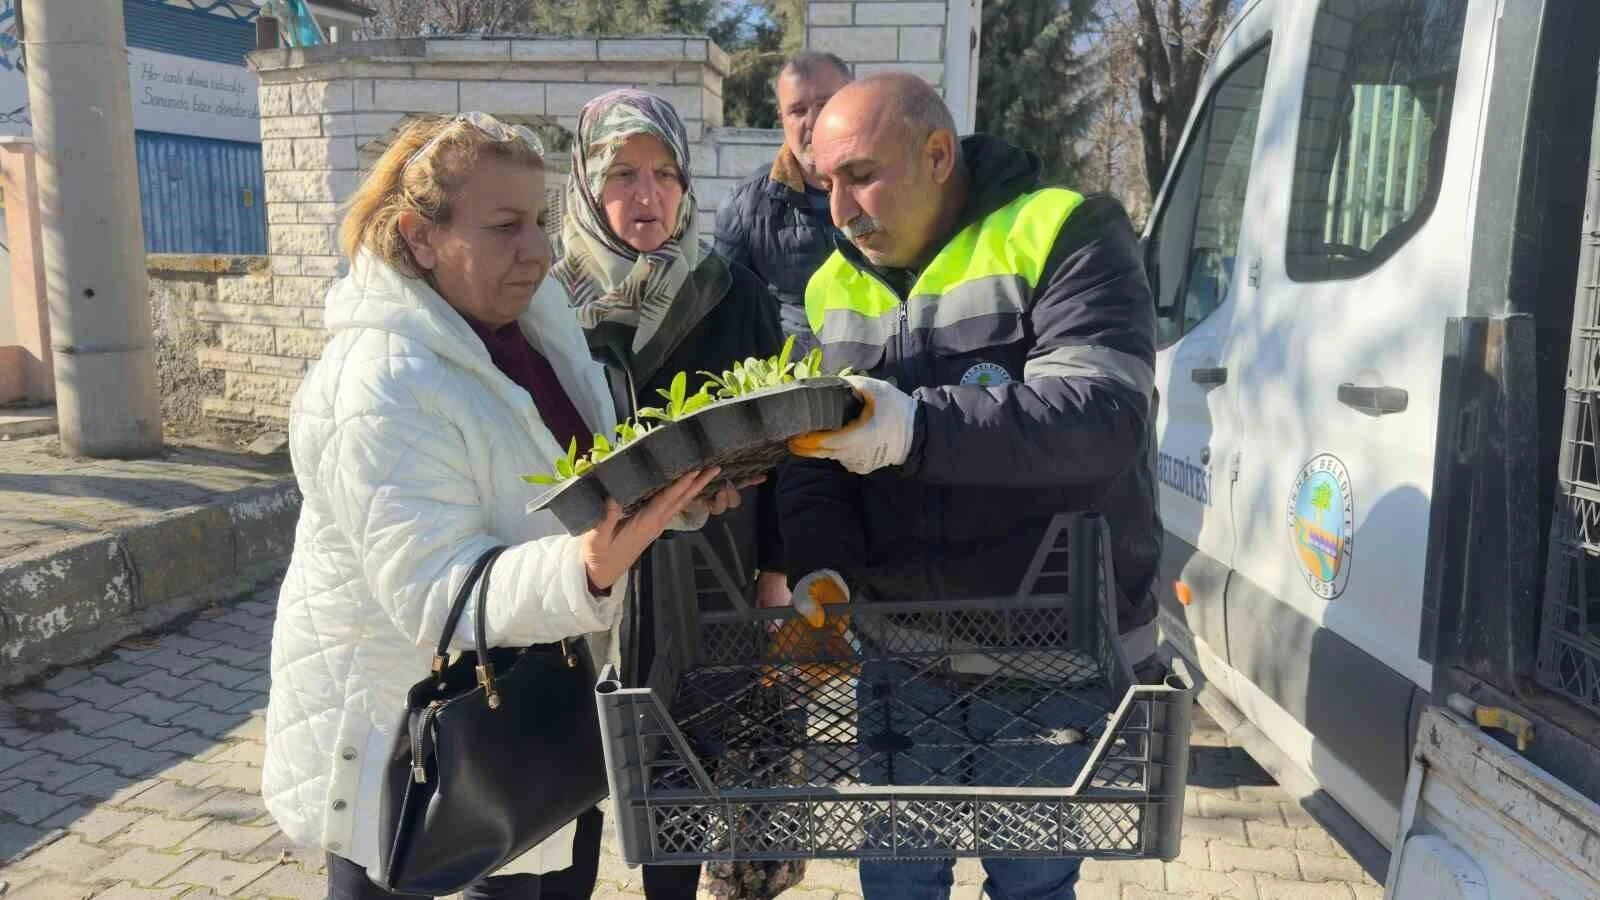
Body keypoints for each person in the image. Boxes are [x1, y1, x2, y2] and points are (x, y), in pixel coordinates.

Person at [262, 112, 744, 900]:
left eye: (542, 222)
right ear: (421, 237)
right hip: (414, 756)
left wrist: (675, 498)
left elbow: (574, 493)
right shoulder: (381, 382)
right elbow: (435, 592)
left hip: (528, 727)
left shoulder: (533, 328)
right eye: (505, 226)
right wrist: (588, 569)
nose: (539, 250)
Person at [778, 74, 1162, 900]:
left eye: (861, 176)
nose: (840, 209)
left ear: (938, 154)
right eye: (827, 183)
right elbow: (812, 460)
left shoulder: (1065, 229)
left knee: (1030, 882)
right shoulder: (828, 288)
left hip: (1048, 652)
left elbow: (1101, 412)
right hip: (897, 653)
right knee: (898, 880)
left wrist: (915, 429)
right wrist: (822, 566)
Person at [550, 89, 804, 900]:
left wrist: (776, 574)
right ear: (588, 186)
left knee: (685, 767)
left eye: (663, 173)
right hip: (582, 577)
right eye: (622, 174)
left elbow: (790, 449)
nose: (647, 195)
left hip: (712, 574)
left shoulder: (734, 295)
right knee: (572, 778)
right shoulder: (548, 304)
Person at [713, 51, 853, 351]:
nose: (813, 122)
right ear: (782, 119)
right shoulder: (743, 208)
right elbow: (727, 317)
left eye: (825, 104)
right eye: (798, 110)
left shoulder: (893, 190)